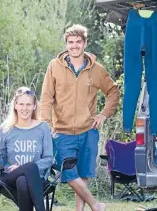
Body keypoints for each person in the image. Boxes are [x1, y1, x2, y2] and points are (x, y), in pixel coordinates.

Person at [40, 24, 119, 211]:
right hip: (61, 131)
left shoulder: (97, 69)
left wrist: (103, 114)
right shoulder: (54, 66)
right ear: (66, 44)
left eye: (78, 42)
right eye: (70, 42)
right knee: (68, 172)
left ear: (85, 43)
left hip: (88, 130)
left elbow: (113, 91)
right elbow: (45, 97)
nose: (74, 46)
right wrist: (46, 122)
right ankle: (96, 205)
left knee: (83, 175)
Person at [0, 86, 53, 211]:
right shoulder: (5, 129)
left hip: (36, 179)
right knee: (29, 167)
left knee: (24, 179)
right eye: (21, 104)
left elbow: (49, 159)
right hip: (9, 177)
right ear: (15, 106)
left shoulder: (43, 128)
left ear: (34, 106)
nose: (25, 108)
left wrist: (24, 168)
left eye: (28, 104)